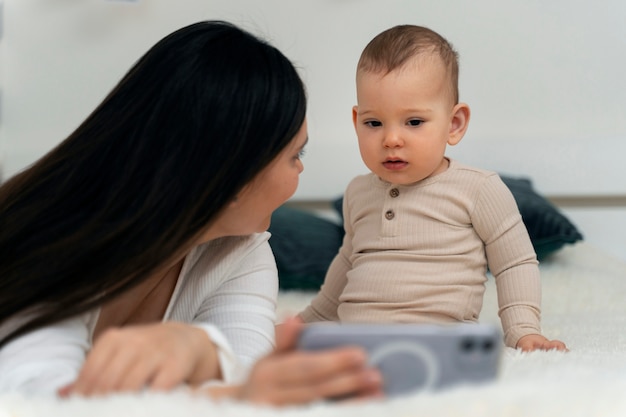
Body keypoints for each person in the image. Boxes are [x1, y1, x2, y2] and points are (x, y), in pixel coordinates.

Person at [0, 20, 382, 404]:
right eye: (294, 155)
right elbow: (36, 399)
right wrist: (208, 369)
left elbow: (248, 376)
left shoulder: (242, 250)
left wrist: (201, 349)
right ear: (233, 175)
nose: (300, 170)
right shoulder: (55, 245)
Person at [296, 25, 567, 352]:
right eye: (374, 123)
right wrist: (311, 320)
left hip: (441, 340)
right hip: (358, 342)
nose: (391, 139)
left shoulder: (478, 189)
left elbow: (515, 263)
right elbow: (347, 262)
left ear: (454, 124)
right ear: (356, 122)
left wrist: (523, 330)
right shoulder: (357, 193)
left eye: (413, 122)